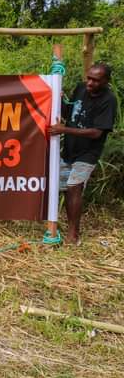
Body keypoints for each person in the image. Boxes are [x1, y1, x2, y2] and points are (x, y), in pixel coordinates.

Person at [47, 63, 117, 245]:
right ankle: (65, 227)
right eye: (89, 78)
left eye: (95, 80)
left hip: (88, 153)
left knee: (74, 188)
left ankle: (73, 235)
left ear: (106, 82)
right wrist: (59, 100)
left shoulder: (108, 100)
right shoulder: (80, 88)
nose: (90, 83)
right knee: (64, 189)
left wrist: (64, 130)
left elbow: (97, 132)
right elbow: (68, 112)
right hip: (69, 149)